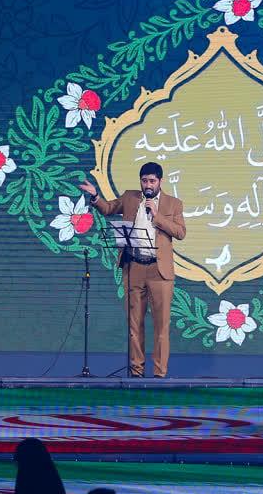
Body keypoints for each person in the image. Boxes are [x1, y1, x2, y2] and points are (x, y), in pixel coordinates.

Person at [78, 162, 186, 378]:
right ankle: (136, 372)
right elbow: (108, 209)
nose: (148, 185)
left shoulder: (173, 204)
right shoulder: (130, 197)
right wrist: (95, 196)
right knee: (134, 324)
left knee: (161, 326)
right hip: (134, 267)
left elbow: (180, 232)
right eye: (144, 181)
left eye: (152, 181)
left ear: (160, 181)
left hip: (159, 271)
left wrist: (157, 215)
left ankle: (159, 374)